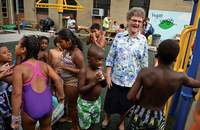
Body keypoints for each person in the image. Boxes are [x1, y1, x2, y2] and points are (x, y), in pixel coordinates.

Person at [126, 39, 200, 129]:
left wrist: (137, 102)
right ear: (175, 59)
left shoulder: (145, 72)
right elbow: (197, 84)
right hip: (158, 116)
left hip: (139, 113)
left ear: (157, 54)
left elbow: (130, 97)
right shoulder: (180, 77)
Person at [102, 7, 148, 130]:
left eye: (139, 21)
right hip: (115, 79)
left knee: (125, 105)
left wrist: (142, 82)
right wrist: (108, 76)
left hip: (132, 83)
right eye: (134, 20)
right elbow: (110, 57)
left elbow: (144, 63)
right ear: (128, 20)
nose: (136, 24)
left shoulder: (143, 40)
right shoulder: (119, 37)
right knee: (110, 101)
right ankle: (107, 118)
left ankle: (121, 122)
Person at [11, 35, 64, 130]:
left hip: (30, 108)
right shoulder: (44, 65)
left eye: (18, 44)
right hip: (47, 104)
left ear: (23, 49)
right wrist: (60, 95)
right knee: (47, 127)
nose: (15, 46)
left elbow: (17, 94)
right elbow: (58, 79)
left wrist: (15, 117)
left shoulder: (19, 69)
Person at [56, 28, 85, 130]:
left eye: (61, 42)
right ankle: (69, 117)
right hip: (66, 81)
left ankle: (75, 126)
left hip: (72, 83)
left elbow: (83, 71)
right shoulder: (67, 50)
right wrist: (61, 71)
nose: (59, 44)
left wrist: (65, 68)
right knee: (68, 102)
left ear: (69, 41)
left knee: (73, 106)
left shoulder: (77, 53)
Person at [77, 45, 106, 130]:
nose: (101, 62)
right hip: (85, 104)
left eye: (102, 59)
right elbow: (80, 90)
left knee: (94, 122)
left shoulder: (101, 69)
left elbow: (103, 86)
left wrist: (103, 79)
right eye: (98, 60)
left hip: (96, 102)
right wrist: (94, 82)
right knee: (84, 126)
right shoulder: (84, 71)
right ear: (89, 59)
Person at [0, 46, 14, 130]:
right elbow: (14, 80)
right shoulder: (2, 69)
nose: (9, 54)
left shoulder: (5, 64)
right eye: (4, 53)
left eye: (9, 51)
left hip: (5, 91)